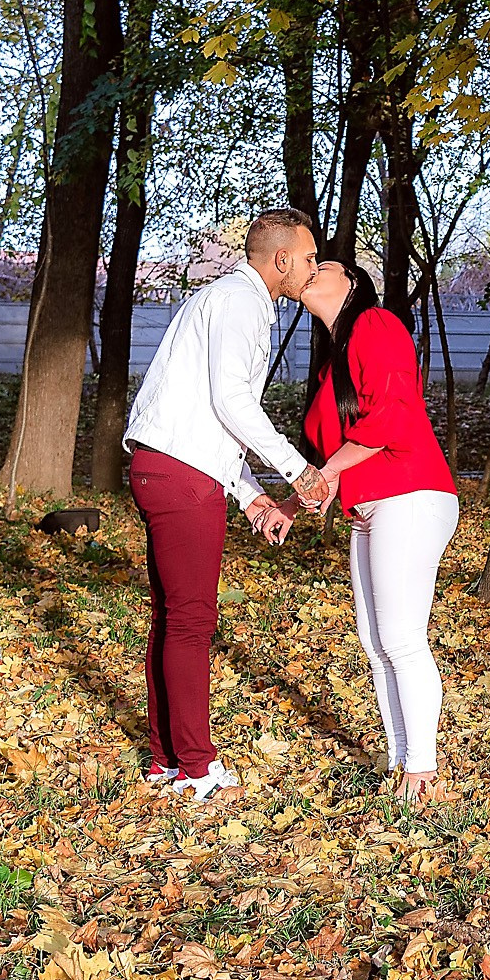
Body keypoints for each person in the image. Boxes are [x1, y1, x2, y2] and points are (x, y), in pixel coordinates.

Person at [122, 210, 332, 803]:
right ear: (281, 260)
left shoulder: (224, 299)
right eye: (308, 257)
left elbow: (208, 418)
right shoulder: (240, 302)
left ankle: (166, 760)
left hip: (165, 466)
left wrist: (250, 496)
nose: (313, 268)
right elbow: (232, 401)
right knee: (191, 622)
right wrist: (297, 469)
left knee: (172, 619)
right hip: (182, 477)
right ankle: (196, 768)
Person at [282, 261, 459, 801]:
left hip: (410, 492)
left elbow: (392, 417)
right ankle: (402, 762)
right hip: (372, 506)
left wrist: (325, 475)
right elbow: (336, 454)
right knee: (376, 643)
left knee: (402, 639)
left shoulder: (375, 324)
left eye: (324, 265)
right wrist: (297, 499)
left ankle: (422, 771)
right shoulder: (333, 360)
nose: (312, 269)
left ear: (354, 284)